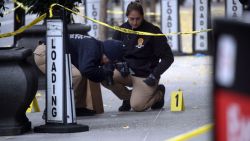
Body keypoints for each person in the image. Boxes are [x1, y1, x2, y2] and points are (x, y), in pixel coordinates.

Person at [104, 1, 174, 112]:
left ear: (143, 16)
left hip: (146, 76)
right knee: (104, 76)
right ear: (127, 16)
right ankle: (127, 98)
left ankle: (159, 93)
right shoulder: (120, 31)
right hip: (126, 73)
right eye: (132, 19)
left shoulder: (153, 31)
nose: (135, 22)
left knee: (138, 106)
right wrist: (117, 64)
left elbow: (168, 58)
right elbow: (111, 55)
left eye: (138, 19)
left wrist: (155, 75)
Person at [34, 34, 126, 116]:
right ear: (107, 54)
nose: (107, 63)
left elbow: (86, 69)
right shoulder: (93, 48)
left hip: (51, 50)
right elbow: (87, 69)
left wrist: (102, 72)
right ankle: (53, 108)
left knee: (81, 72)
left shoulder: (95, 45)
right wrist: (104, 73)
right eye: (110, 61)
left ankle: (77, 107)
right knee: (75, 75)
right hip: (46, 52)